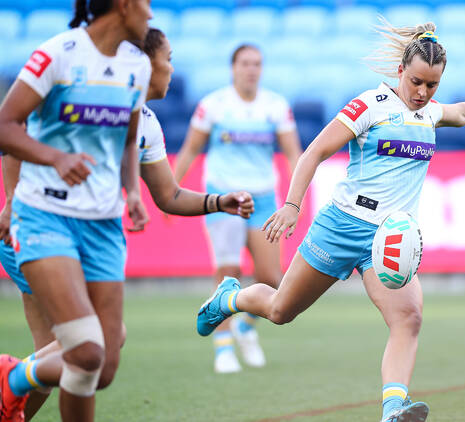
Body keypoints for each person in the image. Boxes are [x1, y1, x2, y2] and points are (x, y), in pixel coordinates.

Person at [195, 20, 465, 422]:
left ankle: (393, 411)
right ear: (400, 70)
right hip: (342, 225)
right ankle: (229, 297)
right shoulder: (369, 105)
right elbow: (313, 153)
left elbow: (462, 113)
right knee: (279, 311)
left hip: (388, 239)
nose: (422, 93)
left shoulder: (429, 113)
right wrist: (292, 205)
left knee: (408, 317)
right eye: (416, 82)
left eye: (432, 86)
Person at [0, 27, 255, 421]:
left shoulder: (146, 124)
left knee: (66, 360)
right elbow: (16, 136)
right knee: (97, 344)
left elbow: (167, 195)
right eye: (167, 58)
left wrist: (220, 201)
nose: (171, 68)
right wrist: (12, 202)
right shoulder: (87, 91)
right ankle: (14, 376)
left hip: (79, 240)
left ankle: (14, 388)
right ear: (143, 61)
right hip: (40, 229)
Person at [0, 0, 153, 420]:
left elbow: (126, 140)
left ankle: (15, 378)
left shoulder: (137, 65)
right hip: (45, 215)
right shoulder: (58, 54)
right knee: (84, 350)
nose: (151, 14)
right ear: (123, 6)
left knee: (101, 366)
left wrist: (133, 192)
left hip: (103, 225)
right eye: (146, 3)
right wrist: (54, 158)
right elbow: (5, 125)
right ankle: (12, 380)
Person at [173, 43, 302, 373]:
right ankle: (223, 348)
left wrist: (295, 196)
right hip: (224, 199)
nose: (251, 69)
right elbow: (189, 149)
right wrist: (171, 192)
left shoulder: (275, 106)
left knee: (273, 280)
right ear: (233, 68)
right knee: (228, 274)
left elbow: (293, 154)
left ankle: (245, 328)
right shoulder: (214, 105)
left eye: (257, 63)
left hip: (263, 199)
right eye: (245, 63)